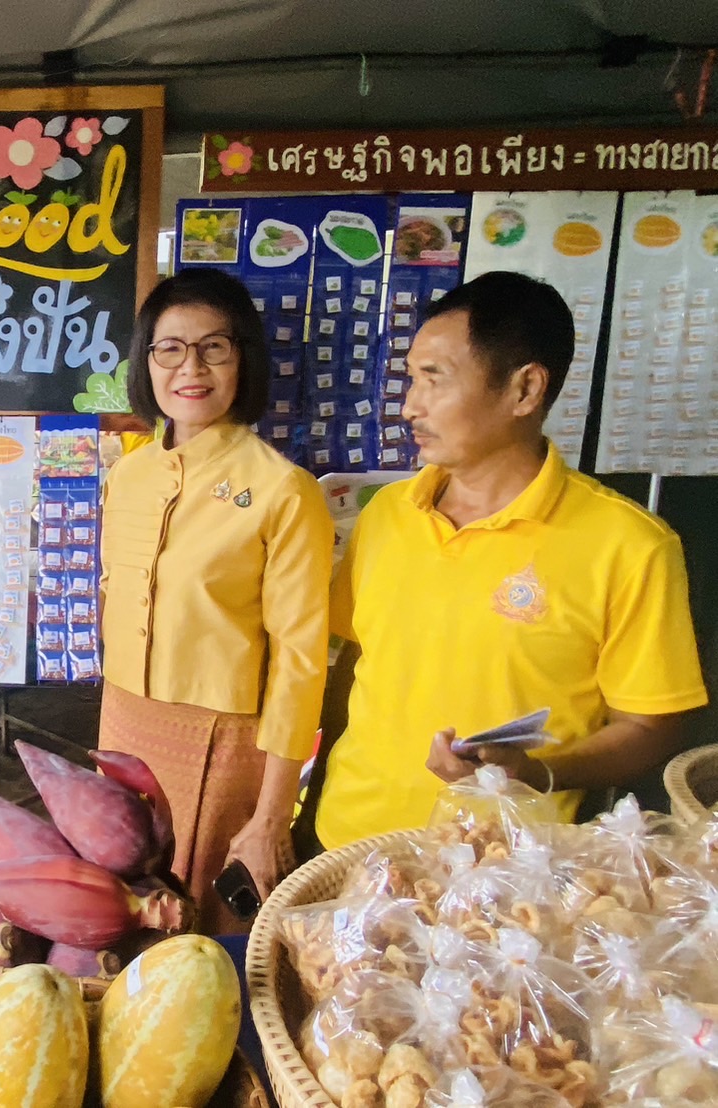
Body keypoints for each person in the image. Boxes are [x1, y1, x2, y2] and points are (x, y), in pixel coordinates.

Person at [305, 271, 709, 854]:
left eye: (435, 379)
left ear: (524, 390)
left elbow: (651, 725)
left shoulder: (630, 545)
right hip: (348, 844)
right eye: (411, 378)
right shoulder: (389, 513)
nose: (410, 406)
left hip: (509, 868)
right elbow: (354, 664)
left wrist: (535, 773)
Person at [98, 269, 333, 932]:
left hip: (220, 743)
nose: (190, 368)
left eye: (213, 348)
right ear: (146, 361)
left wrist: (271, 815)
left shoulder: (284, 490)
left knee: (195, 923)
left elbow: (299, 664)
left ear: (242, 359)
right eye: (169, 348)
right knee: (120, 908)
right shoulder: (128, 474)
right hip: (122, 722)